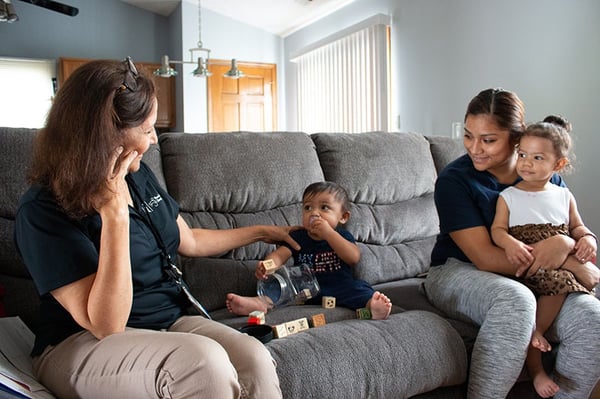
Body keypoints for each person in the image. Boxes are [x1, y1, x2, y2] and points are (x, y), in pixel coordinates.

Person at [14, 58, 301, 399]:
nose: (153, 140)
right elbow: (107, 325)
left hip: (166, 323)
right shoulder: (43, 209)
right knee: (203, 363)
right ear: (105, 135)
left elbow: (190, 239)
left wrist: (263, 231)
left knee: (253, 357)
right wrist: (115, 214)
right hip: (78, 343)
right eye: (146, 129)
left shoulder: (139, 175)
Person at [423, 88, 600, 399]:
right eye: (468, 136)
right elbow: (487, 259)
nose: (474, 148)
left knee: (592, 318)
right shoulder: (455, 180)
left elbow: (573, 229)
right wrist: (569, 260)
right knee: (515, 301)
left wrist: (570, 241)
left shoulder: (546, 175)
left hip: (535, 276)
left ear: (517, 138)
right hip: (457, 271)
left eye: (488, 139)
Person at [491, 116, 597, 398]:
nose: (526, 163)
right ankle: (536, 365)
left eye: (538, 158)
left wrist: (587, 239)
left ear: (558, 165)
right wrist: (510, 243)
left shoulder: (564, 196)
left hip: (559, 264)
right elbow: (497, 230)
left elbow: (578, 227)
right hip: (528, 260)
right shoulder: (509, 196)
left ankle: (537, 337)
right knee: (544, 290)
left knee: (565, 283)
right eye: (522, 155)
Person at [226, 181, 392, 320]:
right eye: (308, 208)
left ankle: (372, 306)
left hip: (339, 286)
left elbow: (353, 258)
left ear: (343, 217)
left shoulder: (341, 236)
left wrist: (328, 233)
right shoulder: (299, 236)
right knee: (278, 288)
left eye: (324, 208)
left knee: (359, 288)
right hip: (302, 290)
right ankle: (259, 303)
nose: (314, 213)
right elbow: (280, 255)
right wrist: (268, 265)